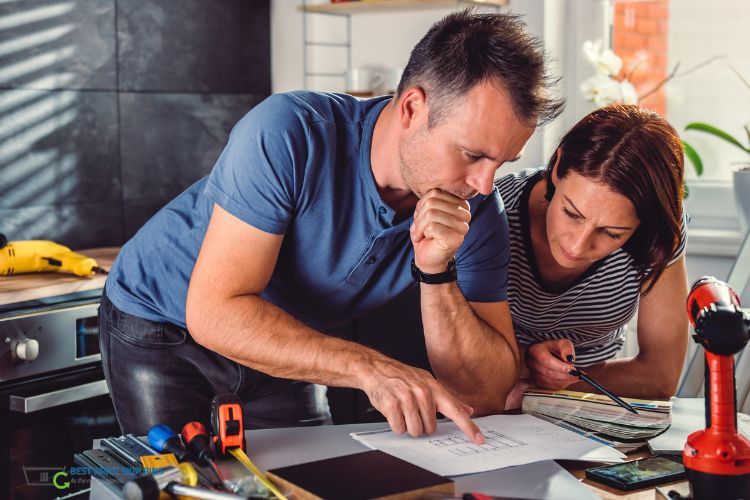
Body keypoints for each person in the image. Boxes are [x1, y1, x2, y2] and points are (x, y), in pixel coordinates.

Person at [99, 10, 564, 440]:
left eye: (502, 162)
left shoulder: (477, 206)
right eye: (472, 154)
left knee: (299, 485)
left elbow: (485, 392)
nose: (485, 185)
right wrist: (372, 369)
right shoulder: (288, 131)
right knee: (179, 484)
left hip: (283, 337)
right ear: (412, 108)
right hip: (162, 321)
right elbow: (216, 313)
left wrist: (436, 271)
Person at [496, 104, 689, 407]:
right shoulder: (492, 214)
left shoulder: (658, 232)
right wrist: (520, 363)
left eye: (612, 233)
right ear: (558, 168)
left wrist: (559, 383)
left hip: (587, 405)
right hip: (494, 399)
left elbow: (660, 375)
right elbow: (453, 352)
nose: (577, 247)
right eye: (571, 213)